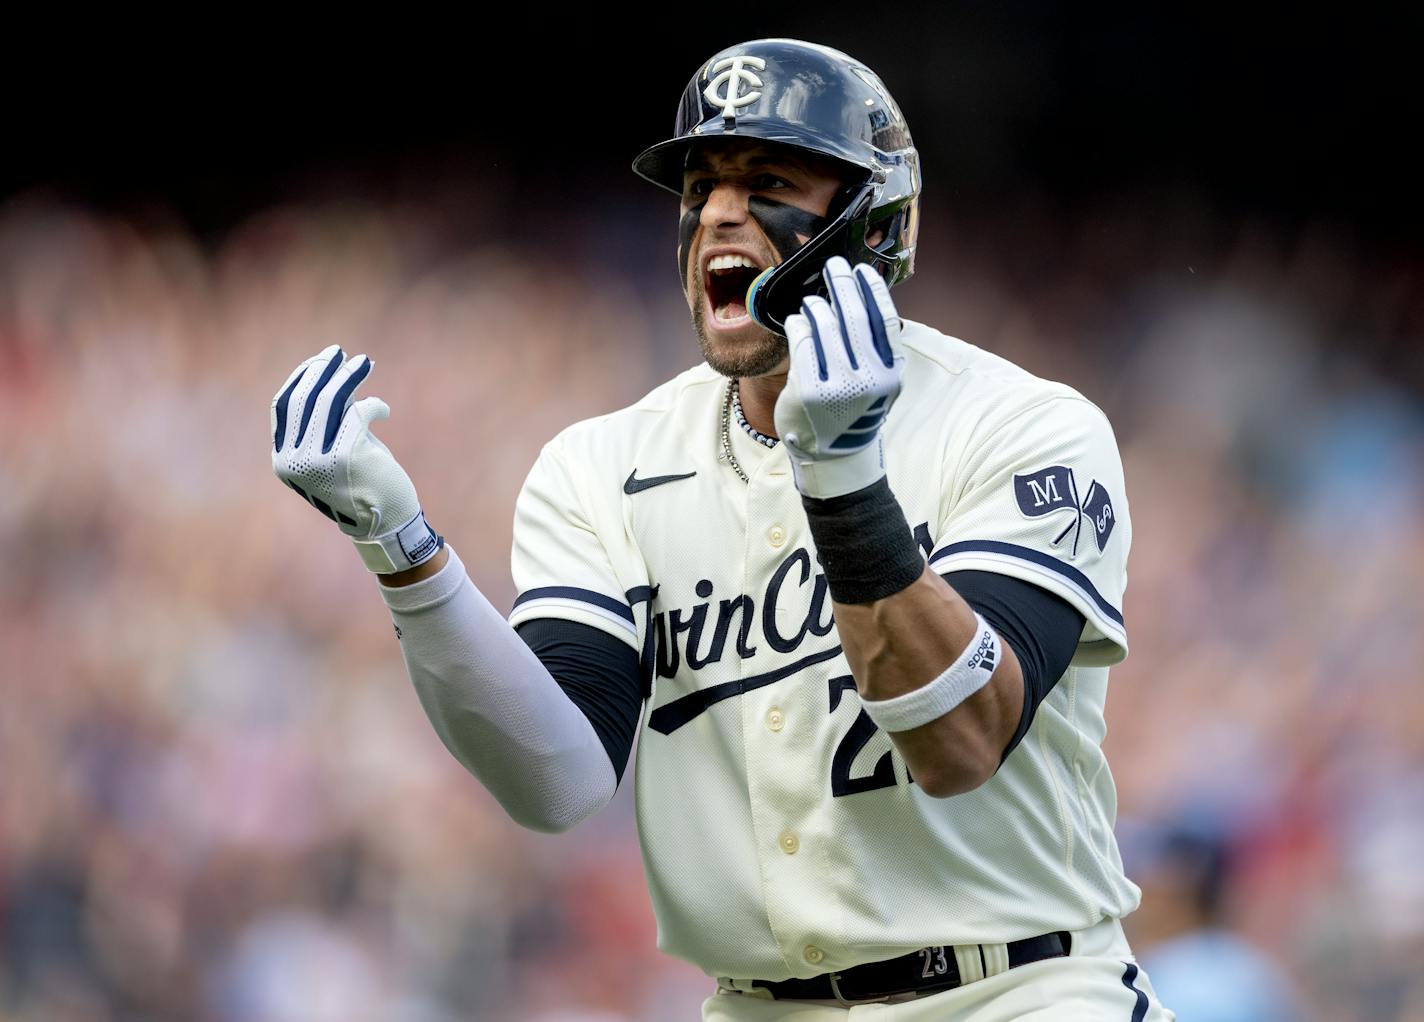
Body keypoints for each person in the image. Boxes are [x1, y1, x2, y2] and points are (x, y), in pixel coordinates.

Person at [270, 38, 1173, 1021]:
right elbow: (557, 779)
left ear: (869, 219)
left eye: (767, 179)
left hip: (1019, 990)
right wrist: (402, 548)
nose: (716, 215)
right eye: (699, 186)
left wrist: (839, 476)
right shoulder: (602, 464)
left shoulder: (1020, 423)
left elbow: (959, 738)